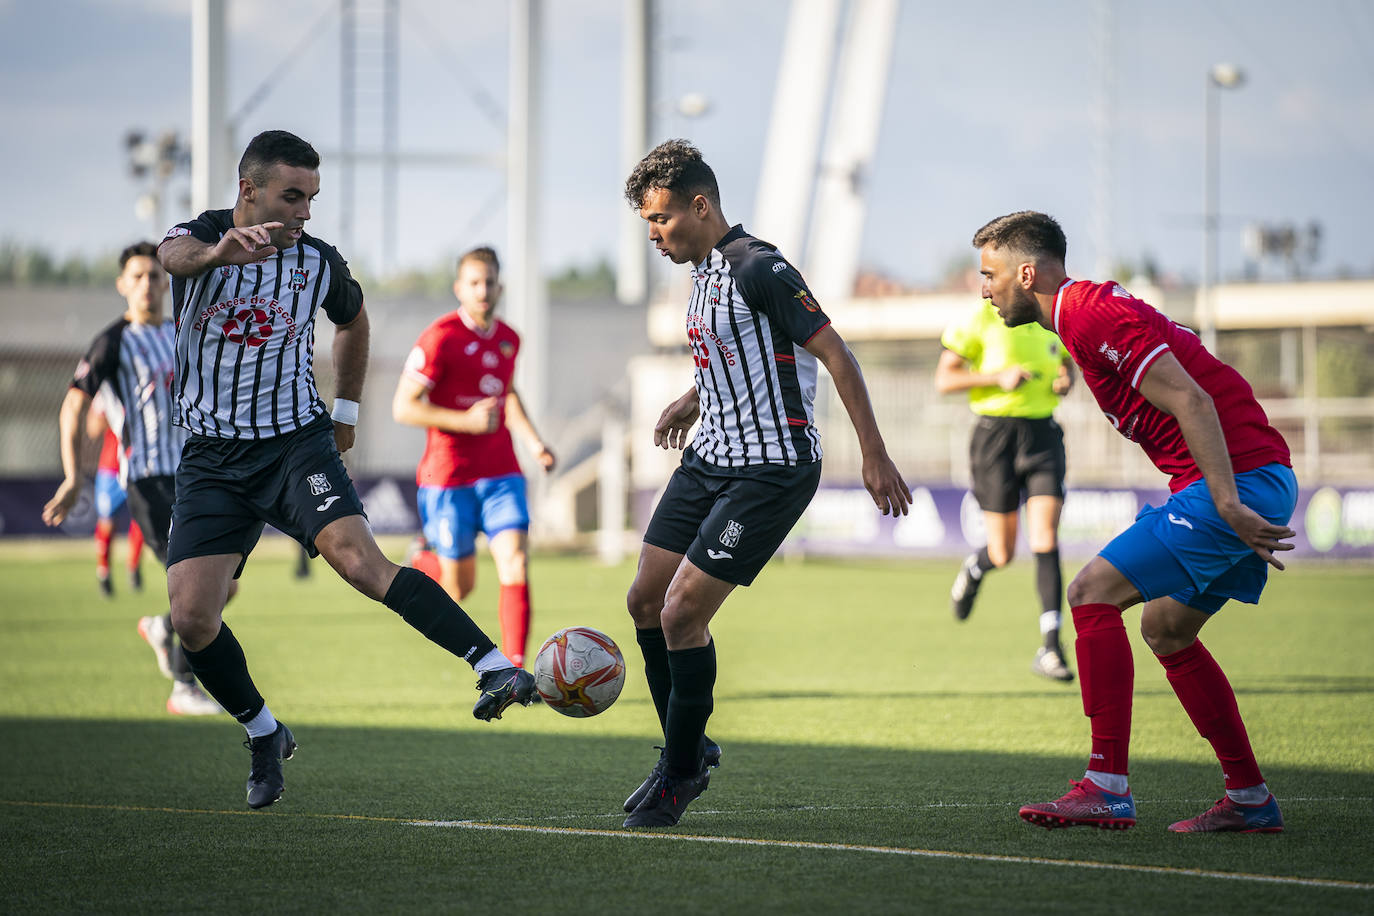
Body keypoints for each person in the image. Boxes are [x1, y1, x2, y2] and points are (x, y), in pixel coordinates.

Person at [156, 129, 536, 811]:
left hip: (294, 444)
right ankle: (264, 733)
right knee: (191, 617)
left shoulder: (317, 261)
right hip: (211, 457)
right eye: (291, 196)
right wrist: (218, 252)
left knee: (360, 563)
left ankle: (493, 665)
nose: (304, 212)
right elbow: (175, 256)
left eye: (312, 198)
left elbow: (353, 323)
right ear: (248, 190)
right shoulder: (200, 237)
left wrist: (347, 409)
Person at [619, 139, 912, 828]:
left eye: (661, 219)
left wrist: (873, 454)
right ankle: (686, 743)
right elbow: (738, 349)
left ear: (701, 205)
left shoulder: (762, 267)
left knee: (682, 613)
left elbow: (835, 354)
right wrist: (693, 398)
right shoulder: (703, 275)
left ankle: (680, 769)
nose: (655, 234)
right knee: (643, 600)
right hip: (708, 458)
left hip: (772, 468)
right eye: (646, 224)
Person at [973, 211, 1295, 833]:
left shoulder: (1089, 314)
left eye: (989, 275)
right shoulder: (1079, 317)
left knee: (1090, 593)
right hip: (1251, 478)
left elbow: (1192, 400)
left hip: (1237, 484)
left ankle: (1105, 784)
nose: (984, 289)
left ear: (1026, 272)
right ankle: (1251, 798)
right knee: (1168, 629)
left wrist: (1227, 503)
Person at [42, 241, 221, 716]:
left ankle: (163, 629)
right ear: (123, 284)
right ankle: (184, 686)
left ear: (167, 283)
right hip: (147, 479)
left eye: (156, 276)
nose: (148, 285)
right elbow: (74, 405)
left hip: (196, 475)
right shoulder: (112, 343)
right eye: (138, 276)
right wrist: (73, 476)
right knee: (196, 587)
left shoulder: (183, 333)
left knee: (225, 584)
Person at [392, 246, 556, 668]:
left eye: (489, 282)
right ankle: (422, 561)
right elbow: (404, 407)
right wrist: (464, 421)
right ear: (459, 289)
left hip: (501, 471)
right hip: (448, 477)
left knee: (515, 559)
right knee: (458, 587)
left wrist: (534, 442)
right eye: (474, 283)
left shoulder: (508, 339)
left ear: (500, 286)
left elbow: (508, 395)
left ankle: (515, 665)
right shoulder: (439, 338)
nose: (483, 290)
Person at [936, 298, 1076, 682]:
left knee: (1045, 538)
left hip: (1043, 436)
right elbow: (945, 379)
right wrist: (996, 378)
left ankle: (1050, 646)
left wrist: (1066, 378)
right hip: (994, 437)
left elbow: (1067, 364)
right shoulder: (977, 319)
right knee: (1002, 552)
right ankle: (974, 568)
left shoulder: (1049, 319)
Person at [88, 399, 146, 597]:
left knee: (141, 517)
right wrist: (110, 415)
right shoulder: (107, 392)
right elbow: (93, 429)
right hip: (111, 467)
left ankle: (134, 567)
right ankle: (104, 572)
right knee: (106, 521)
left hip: (139, 464)